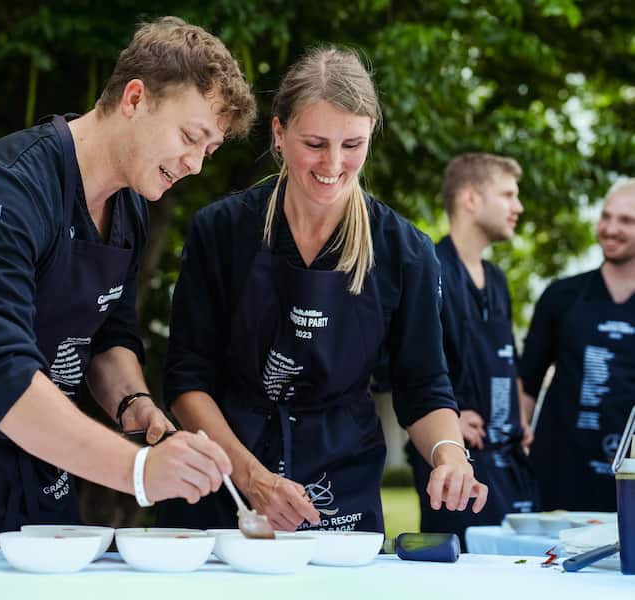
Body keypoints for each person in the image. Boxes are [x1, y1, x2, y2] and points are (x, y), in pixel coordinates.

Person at [0, 16, 256, 548]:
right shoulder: (4, 188)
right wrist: (139, 471)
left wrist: (131, 402)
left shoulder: (131, 206)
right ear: (135, 98)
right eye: (190, 137)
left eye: (209, 150)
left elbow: (108, 335)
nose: (196, 165)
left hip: (48, 464)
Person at [158, 47, 488, 533]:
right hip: (221, 481)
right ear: (278, 134)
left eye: (353, 144)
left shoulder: (405, 250)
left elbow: (423, 386)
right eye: (315, 143)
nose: (333, 164)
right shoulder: (221, 231)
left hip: (341, 490)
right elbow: (187, 382)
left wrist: (450, 456)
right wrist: (252, 478)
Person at [408, 153, 539, 548]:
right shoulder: (427, 267)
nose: (518, 207)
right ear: (470, 199)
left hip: (508, 459)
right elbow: (401, 366)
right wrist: (449, 422)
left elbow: (507, 359)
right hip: (455, 460)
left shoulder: (497, 279)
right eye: (508, 195)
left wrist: (519, 418)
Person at [518, 179, 635, 511]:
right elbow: (528, 378)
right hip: (559, 472)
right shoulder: (561, 296)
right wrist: (516, 439)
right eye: (606, 217)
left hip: (628, 475)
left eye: (626, 221)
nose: (610, 229)